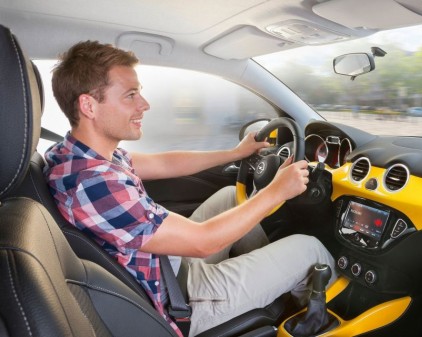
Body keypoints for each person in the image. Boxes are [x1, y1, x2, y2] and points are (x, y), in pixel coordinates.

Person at [44, 41, 337, 337]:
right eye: (130, 95)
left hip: (167, 265)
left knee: (228, 199)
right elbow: (203, 243)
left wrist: (235, 153)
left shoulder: (76, 155)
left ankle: (273, 281)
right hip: (182, 299)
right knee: (310, 250)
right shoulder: (95, 184)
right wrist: (275, 191)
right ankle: (309, 319)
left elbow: (165, 164)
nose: (144, 104)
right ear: (88, 106)